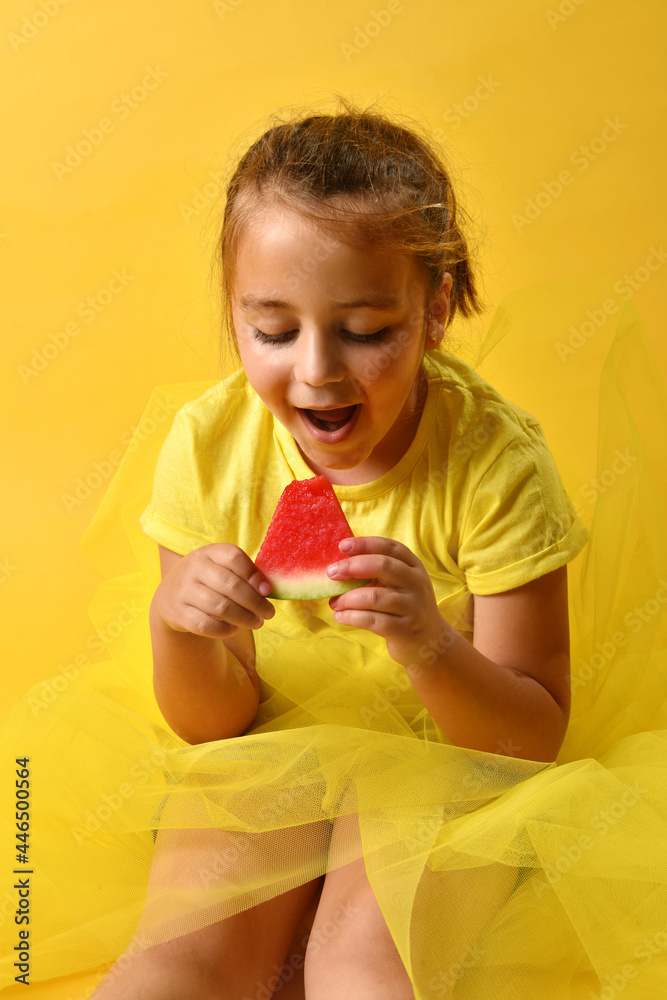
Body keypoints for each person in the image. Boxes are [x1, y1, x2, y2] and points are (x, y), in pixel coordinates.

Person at [2, 97, 666, 1000]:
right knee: (179, 963)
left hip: (449, 758)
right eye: (273, 332)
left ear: (435, 312)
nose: (316, 371)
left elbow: (531, 735)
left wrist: (429, 645)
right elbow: (212, 724)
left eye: (365, 331)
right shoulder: (209, 446)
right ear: (234, 313)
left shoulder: (496, 463)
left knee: (356, 966)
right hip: (263, 743)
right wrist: (179, 629)